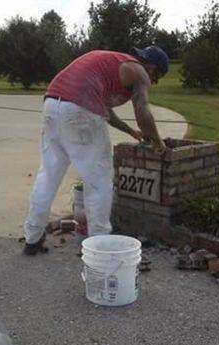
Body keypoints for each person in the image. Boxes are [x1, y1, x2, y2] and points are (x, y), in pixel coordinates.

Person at [23, 46, 169, 255]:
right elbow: (143, 111)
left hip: (52, 104)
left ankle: (32, 239)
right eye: (157, 76)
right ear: (153, 67)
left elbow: (105, 111)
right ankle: (99, 249)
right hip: (78, 108)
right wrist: (158, 143)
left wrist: (131, 132)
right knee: (99, 181)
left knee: (48, 175)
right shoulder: (139, 71)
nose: (153, 81)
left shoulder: (114, 64)